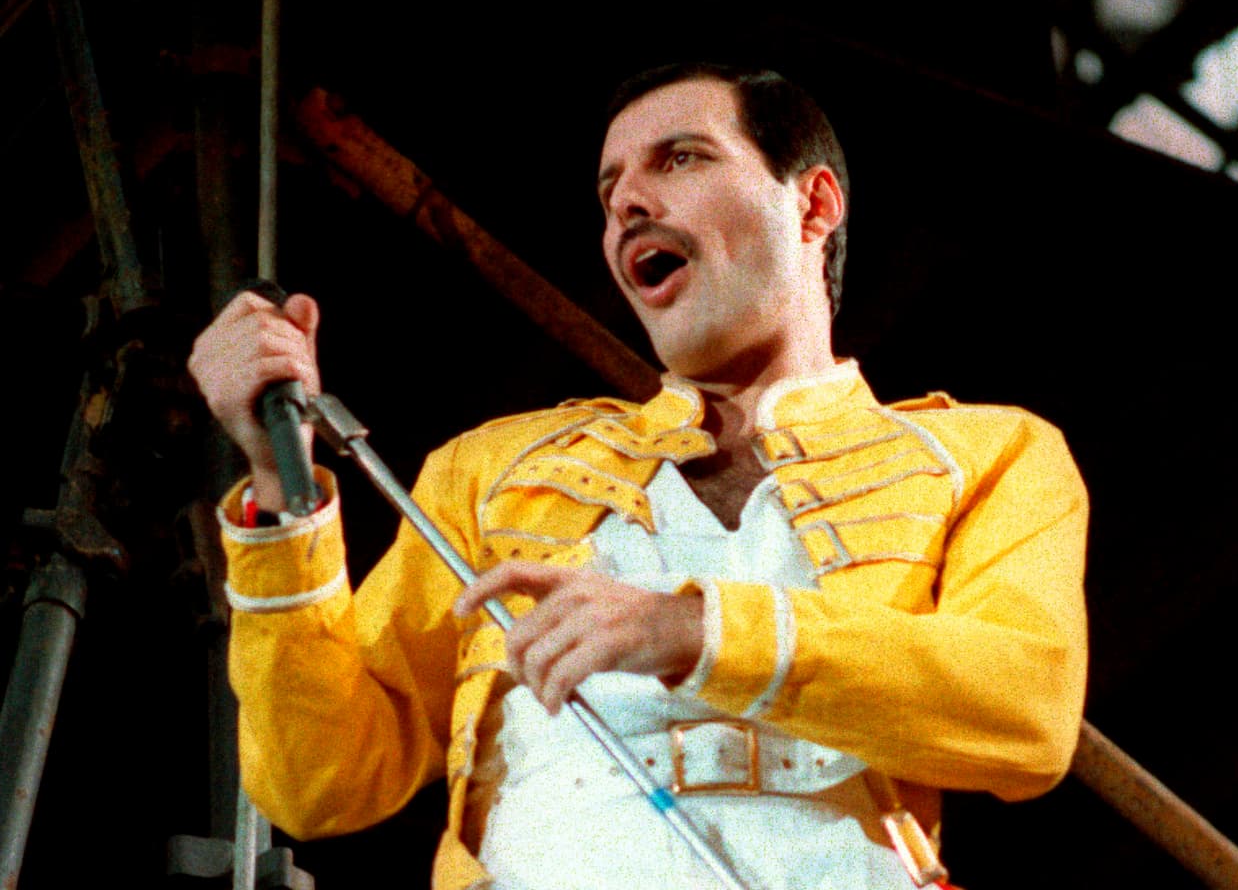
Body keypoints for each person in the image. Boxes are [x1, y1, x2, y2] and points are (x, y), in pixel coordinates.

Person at [188, 63, 1088, 890]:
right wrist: (278, 484)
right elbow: (321, 780)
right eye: (610, 189)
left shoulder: (989, 452)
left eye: (681, 158)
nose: (628, 204)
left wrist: (692, 630)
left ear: (814, 204)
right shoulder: (495, 470)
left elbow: (1027, 711)